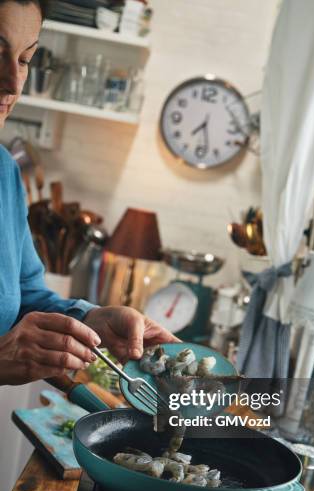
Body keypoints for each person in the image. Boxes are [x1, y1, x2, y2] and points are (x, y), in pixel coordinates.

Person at [0, 0, 177, 386]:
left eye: (26, 59)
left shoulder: (3, 171)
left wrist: (92, 319)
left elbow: (24, 294)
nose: (12, 83)